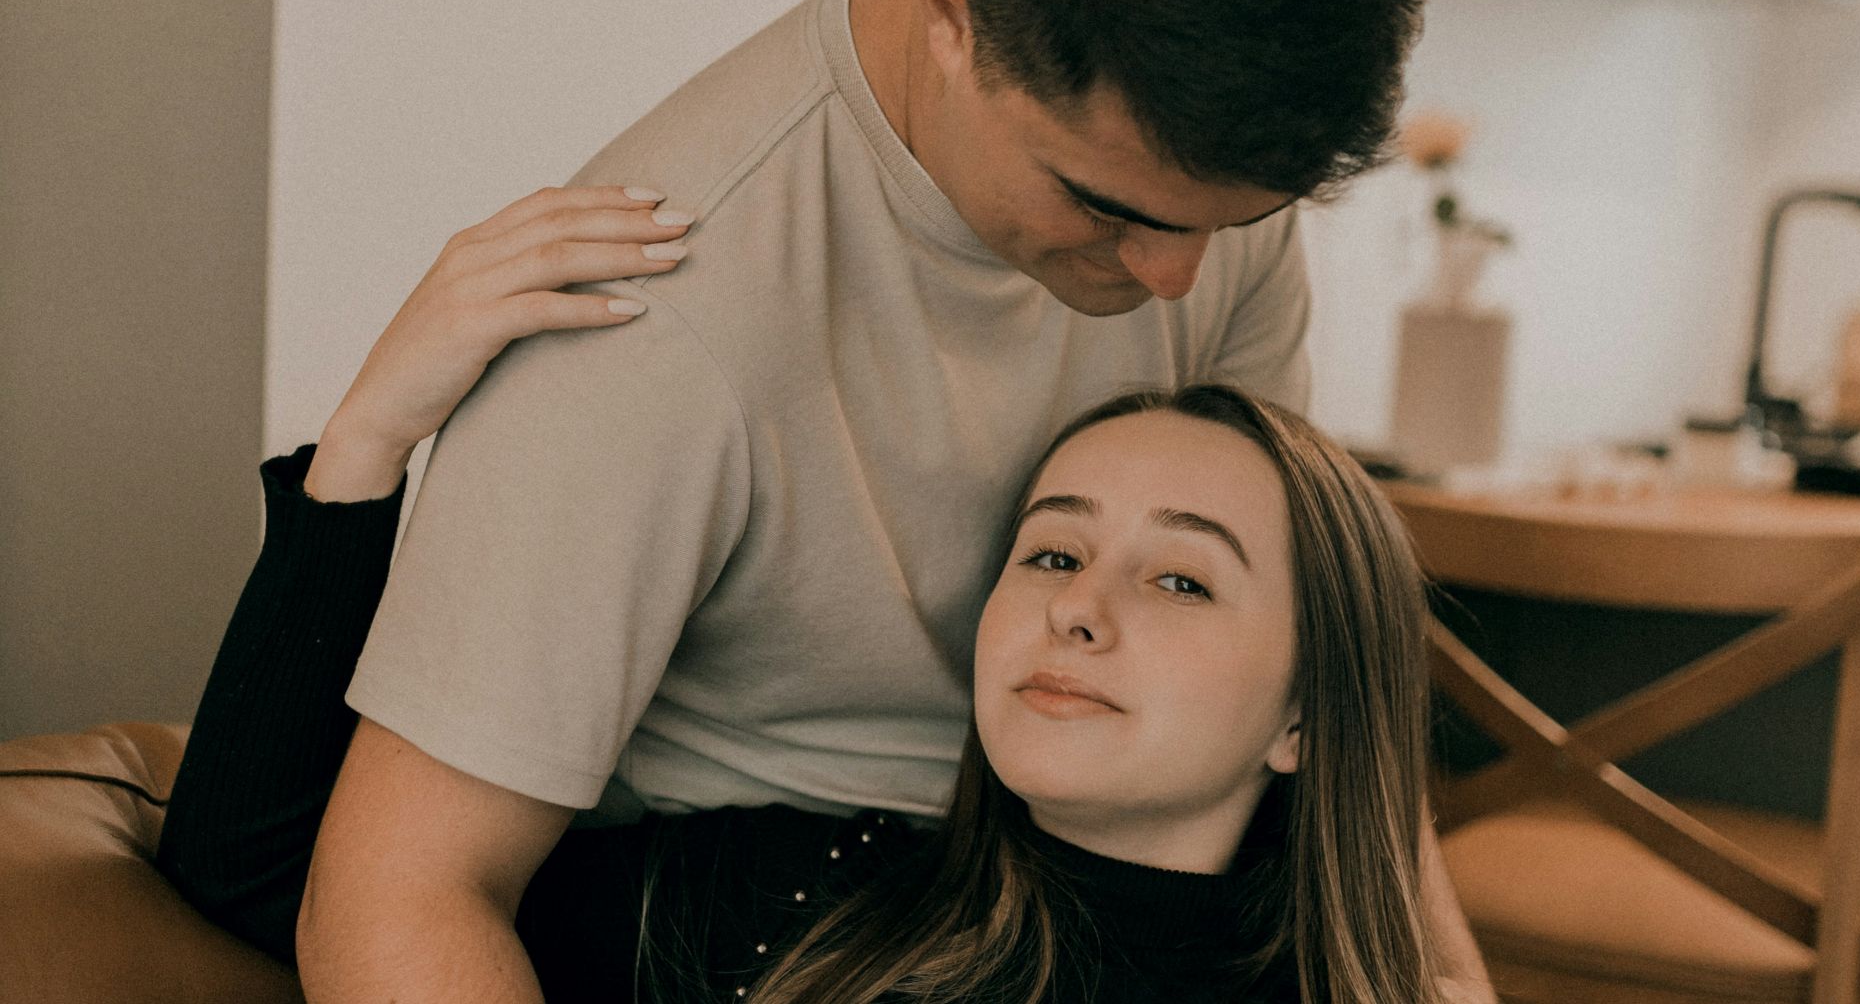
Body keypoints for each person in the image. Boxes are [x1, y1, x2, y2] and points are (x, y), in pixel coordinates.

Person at [270, 0, 1493, 999]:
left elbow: (1317, 647)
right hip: (801, 928)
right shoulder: (658, 321)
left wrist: (1435, 972)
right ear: (950, 17)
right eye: (1106, 207)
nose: (1177, 278)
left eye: (1232, 223)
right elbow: (400, 894)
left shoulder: (1201, 175)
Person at [160, 367, 1474, 1002]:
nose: (1079, 606)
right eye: (1054, 550)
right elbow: (264, 877)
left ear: (1306, 714)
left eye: (1181, 580)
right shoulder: (807, 899)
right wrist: (365, 451)